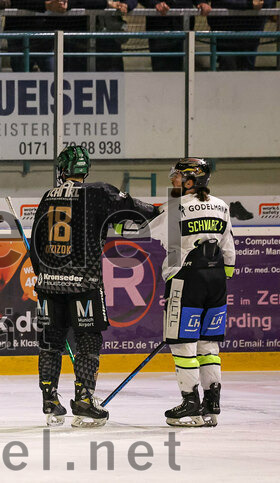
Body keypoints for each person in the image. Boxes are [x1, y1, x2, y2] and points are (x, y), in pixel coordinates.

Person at [30, 146, 157, 427]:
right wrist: (155, 210)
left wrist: (43, 278)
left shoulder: (47, 197)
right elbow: (138, 211)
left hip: (49, 285)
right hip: (84, 284)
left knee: (50, 344)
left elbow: (36, 245)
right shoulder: (98, 192)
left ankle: (49, 398)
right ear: (84, 169)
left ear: (62, 169)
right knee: (88, 342)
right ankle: (85, 398)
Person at [147, 159, 234, 427]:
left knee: (183, 343)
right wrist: (220, 278)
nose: (172, 181)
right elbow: (229, 249)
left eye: (176, 177)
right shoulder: (221, 205)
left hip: (186, 279)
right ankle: (212, 403)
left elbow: (145, 229)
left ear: (189, 180)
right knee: (208, 344)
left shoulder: (176, 206)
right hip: (217, 279)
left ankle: (190, 403)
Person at [138, 0, 211, 72]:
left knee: (185, 69)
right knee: (161, 70)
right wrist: (154, 4)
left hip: (184, 26)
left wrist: (202, 2)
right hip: (159, 27)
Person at [208, 0, 275, 70]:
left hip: (250, 40)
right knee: (228, 72)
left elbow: (267, 3)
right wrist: (249, 4)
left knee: (247, 74)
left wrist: (260, 3)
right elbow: (219, 2)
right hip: (226, 41)